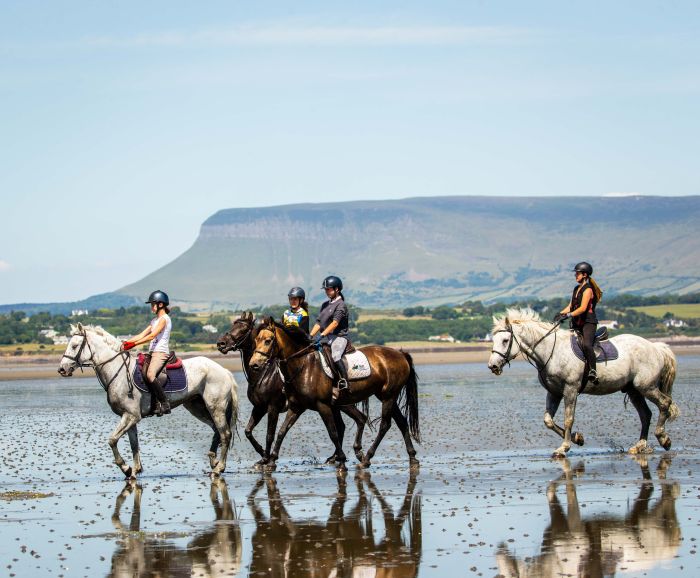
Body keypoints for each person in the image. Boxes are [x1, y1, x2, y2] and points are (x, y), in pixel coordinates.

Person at [121, 290, 173, 416]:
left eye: (152, 304)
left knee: (150, 375)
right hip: (152, 352)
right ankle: (154, 404)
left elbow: (152, 336)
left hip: (161, 353)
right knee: (142, 374)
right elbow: (141, 335)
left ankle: (165, 403)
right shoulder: (154, 321)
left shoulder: (164, 319)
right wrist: (125, 343)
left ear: (160, 304)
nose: (151, 307)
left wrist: (134, 345)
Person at [553, 262, 604, 384]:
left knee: (587, 345)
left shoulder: (588, 290)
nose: (575, 275)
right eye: (576, 273)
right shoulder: (576, 289)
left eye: (578, 273)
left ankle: (593, 371)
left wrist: (568, 315)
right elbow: (571, 306)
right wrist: (560, 314)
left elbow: (582, 308)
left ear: (585, 275)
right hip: (577, 323)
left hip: (588, 323)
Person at [309, 275, 351, 398]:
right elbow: (318, 323)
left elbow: (335, 323)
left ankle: (344, 381)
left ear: (337, 289)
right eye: (326, 290)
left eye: (329, 289)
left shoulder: (341, 305)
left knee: (336, 355)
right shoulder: (324, 305)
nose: (327, 292)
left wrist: (322, 334)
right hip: (327, 337)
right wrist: (310, 336)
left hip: (339, 337)